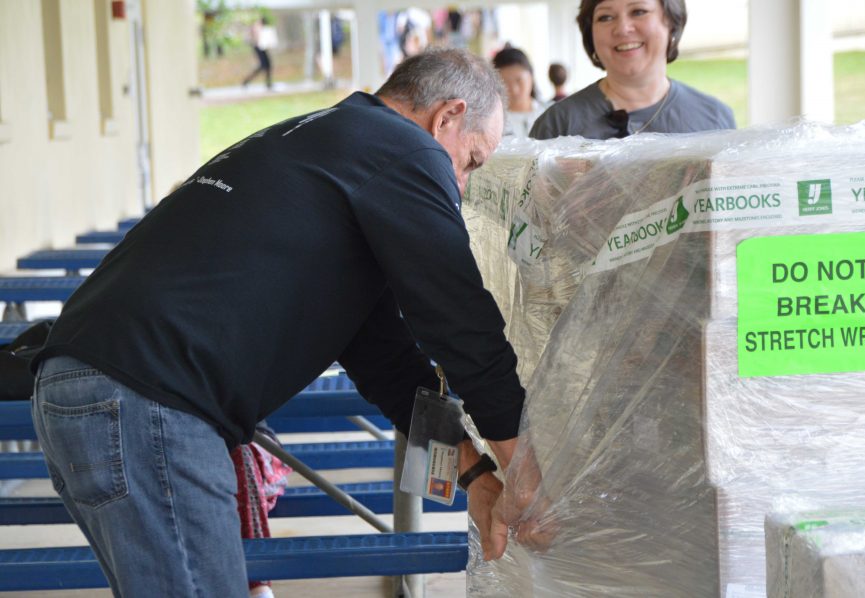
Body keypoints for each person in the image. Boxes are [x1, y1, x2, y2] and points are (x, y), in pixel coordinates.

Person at [30, 48, 542, 597]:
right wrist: (526, 476)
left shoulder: (330, 143)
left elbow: (388, 364)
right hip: (147, 400)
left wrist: (475, 476)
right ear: (447, 117)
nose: (460, 186)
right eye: (471, 161)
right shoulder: (405, 149)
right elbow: (461, 322)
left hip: (80, 387)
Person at [530, 0, 735, 140]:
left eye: (638, 11)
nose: (622, 28)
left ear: (672, 22)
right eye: (606, 17)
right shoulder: (557, 124)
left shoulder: (715, 119)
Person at [492, 46, 546, 138]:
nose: (514, 89)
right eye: (505, 82)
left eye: (519, 80)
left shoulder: (547, 113)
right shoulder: (492, 121)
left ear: (531, 77)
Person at [242, 16, 278, 90]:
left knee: (268, 65)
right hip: (258, 48)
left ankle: (268, 83)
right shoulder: (255, 27)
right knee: (263, 66)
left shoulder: (264, 29)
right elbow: (250, 38)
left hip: (263, 48)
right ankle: (247, 81)